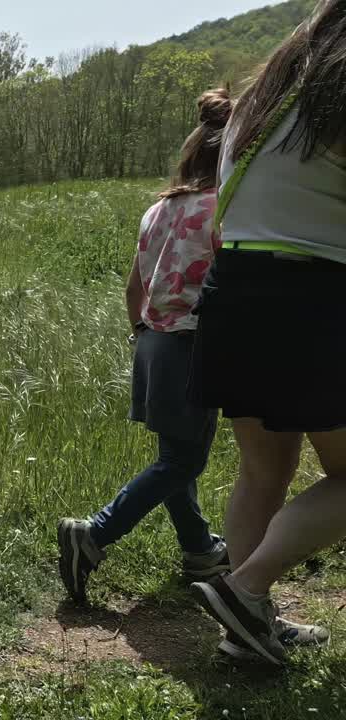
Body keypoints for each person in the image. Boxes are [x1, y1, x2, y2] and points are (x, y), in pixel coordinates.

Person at [187, 0, 344, 666]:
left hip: (235, 290)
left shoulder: (270, 90)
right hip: (310, 295)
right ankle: (245, 588)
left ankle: (243, 633)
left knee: (262, 470)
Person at [57, 89, 233, 605]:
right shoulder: (223, 211)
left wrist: (142, 333)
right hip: (190, 347)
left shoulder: (159, 211)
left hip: (152, 343)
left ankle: (199, 548)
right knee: (183, 460)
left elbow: (135, 287)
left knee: (174, 453)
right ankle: (93, 534)